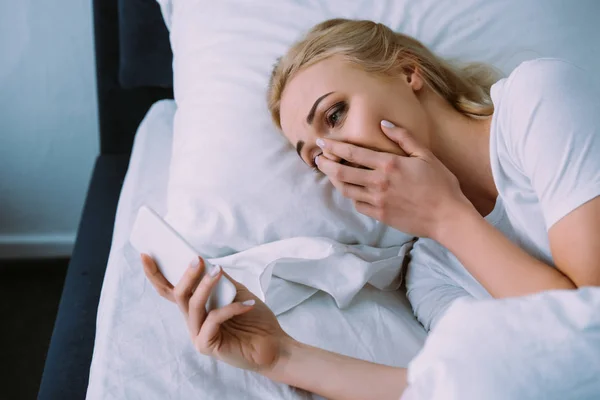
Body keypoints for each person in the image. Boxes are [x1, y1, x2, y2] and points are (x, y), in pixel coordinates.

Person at [141, 18, 600, 400]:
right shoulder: (431, 271)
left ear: (407, 72)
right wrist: (281, 356)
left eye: (336, 114)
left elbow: (589, 321)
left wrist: (447, 216)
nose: (334, 155)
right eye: (314, 156)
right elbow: (447, 389)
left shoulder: (537, 99)